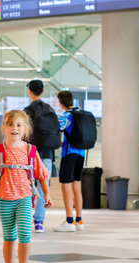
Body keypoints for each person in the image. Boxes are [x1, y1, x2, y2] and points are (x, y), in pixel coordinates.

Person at [0, 110, 53, 263]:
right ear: (4, 128)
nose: (15, 128)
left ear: (26, 129)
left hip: (25, 199)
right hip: (4, 200)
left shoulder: (31, 151)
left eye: (19, 125)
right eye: (11, 124)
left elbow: (42, 175)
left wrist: (48, 194)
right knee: (9, 237)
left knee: (25, 235)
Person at [24, 79, 60, 233]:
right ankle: (39, 221)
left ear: (29, 91)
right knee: (43, 187)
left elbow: (23, 133)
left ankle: (24, 218)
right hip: (47, 154)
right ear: (42, 91)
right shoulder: (50, 110)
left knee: (26, 186)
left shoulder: (27, 111)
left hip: (30, 154)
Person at [54, 91, 86, 232]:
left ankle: (69, 221)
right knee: (77, 186)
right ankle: (79, 220)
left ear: (61, 103)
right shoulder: (82, 114)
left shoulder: (65, 116)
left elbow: (58, 131)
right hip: (82, 153)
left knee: (65, 186)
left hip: (69, 154)